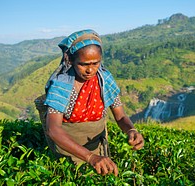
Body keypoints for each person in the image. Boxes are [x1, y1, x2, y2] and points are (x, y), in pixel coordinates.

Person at [43, 29, 144, 176]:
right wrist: (90, 157)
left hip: (98, 149)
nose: (90, 70)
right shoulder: (61, 86)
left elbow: (121, 116)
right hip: (69, 151)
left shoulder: (104, 81)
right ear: (70, 61)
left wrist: (131, 130)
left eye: (95, 63)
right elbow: (54, 130)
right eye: (83, 64)